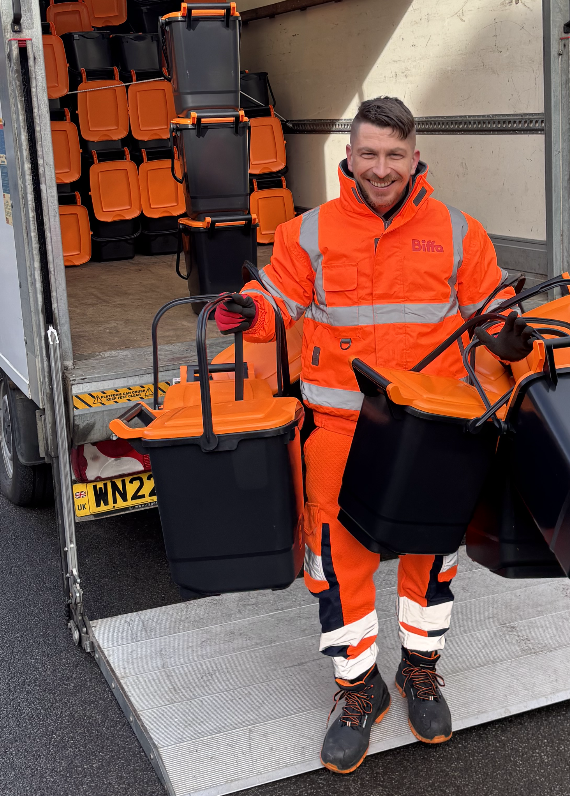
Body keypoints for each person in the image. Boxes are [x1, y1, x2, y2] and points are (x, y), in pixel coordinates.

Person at [215, 96, 534, 774]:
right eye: (370, 154)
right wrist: (251, 312)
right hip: (340, 429)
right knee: (339, 563)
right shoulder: (308, 232)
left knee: (432, 557)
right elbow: (279, 298)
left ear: (416, 158)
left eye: (395, 155)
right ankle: (358, 689)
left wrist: (507, 333)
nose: (382, 168)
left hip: (434, 432)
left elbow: (491, 309)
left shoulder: (457, 232)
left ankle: (420, 670)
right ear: (350, 158)